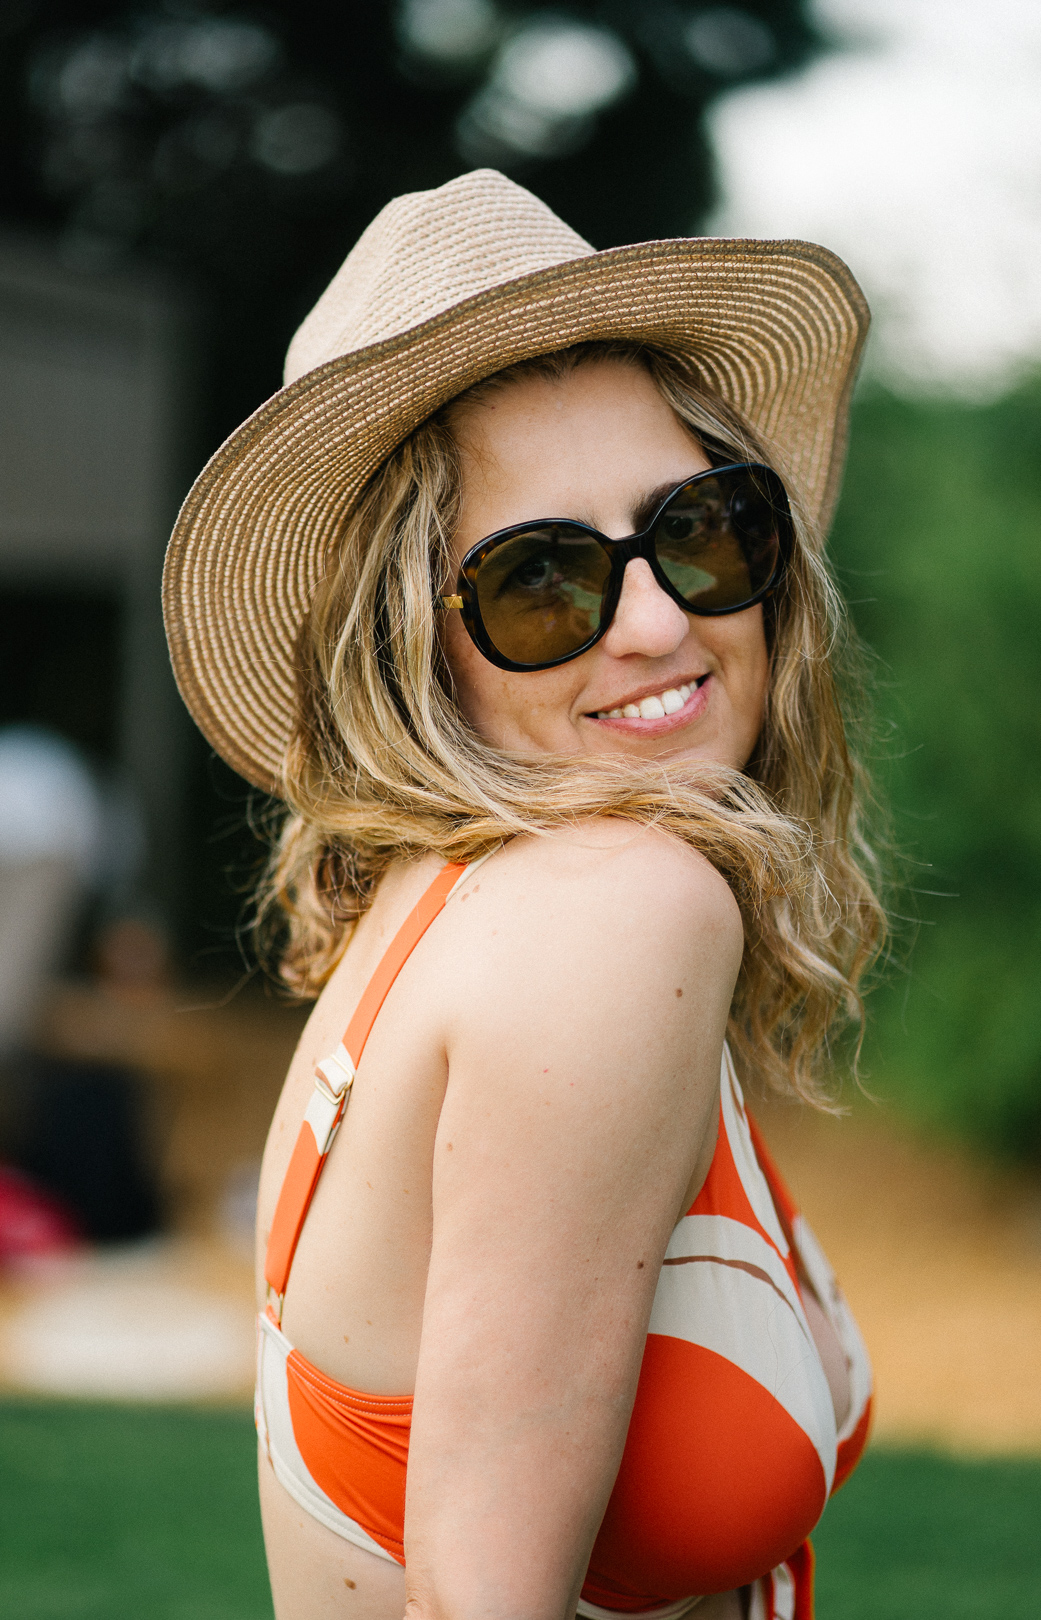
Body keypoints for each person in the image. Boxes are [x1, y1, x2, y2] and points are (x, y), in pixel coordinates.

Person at [163, 170, 883, 1620]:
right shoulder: (612, 914)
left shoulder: (458, 910)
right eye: (542, 581)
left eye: (701, 527)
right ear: (410, 651)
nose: (658, 621)